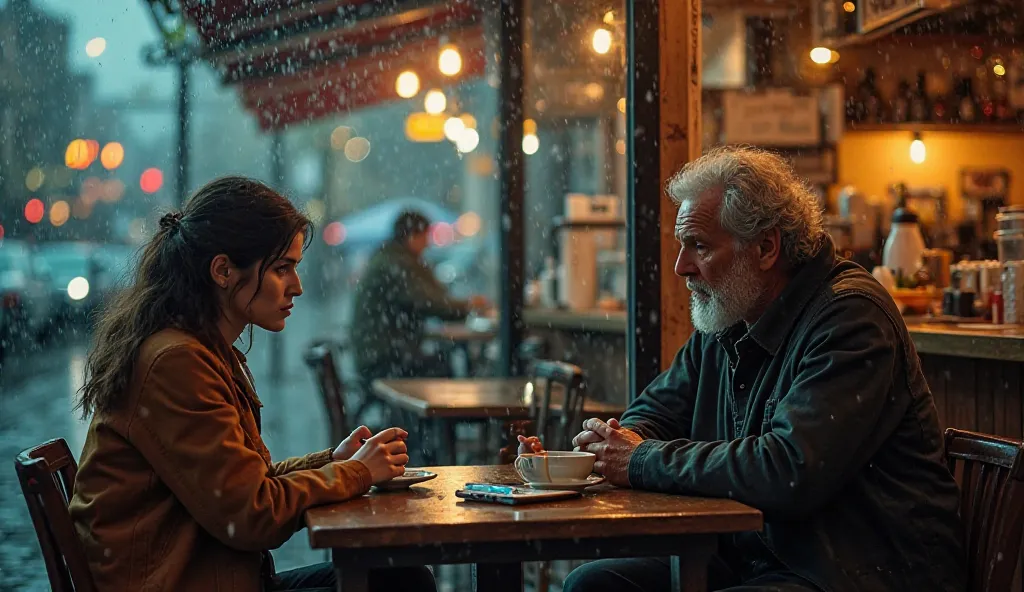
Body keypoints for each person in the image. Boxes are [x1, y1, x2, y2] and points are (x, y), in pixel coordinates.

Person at [520, 146, 966, 592]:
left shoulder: (851, 318)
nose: (681, 267)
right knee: (595, 586)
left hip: (861, 571)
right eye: (682, 246)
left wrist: (640, 459)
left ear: (766, 247)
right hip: (763, 560)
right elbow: (655, 412)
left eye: (700, 246)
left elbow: (787, 470)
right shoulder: (730, 315)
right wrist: (614, 443)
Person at [70, 177, 435, 592]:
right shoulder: (177, 361)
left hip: (209, 577)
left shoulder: (198, 348)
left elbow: (243, 488)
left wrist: (332, 460)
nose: (296, 286)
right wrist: (353, 472)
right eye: (282, 268)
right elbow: (250, 514)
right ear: (223, 270)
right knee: (401, 584)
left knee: (399, 577)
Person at [350, 209, 488, 379]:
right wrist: (469, 306)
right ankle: (440, 406)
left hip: (377, 354)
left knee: (441, 361)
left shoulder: (392, 258)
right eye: (425, 236)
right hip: (385, 359)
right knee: (441, 368)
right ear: (413, 236)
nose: (428, 243)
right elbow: (429, 303)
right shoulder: (399, 263)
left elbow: (431, 297)